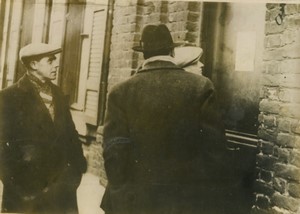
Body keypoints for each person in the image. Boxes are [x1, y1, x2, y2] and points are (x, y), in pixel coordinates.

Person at [101, 24, 237, 214]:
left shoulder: (120, 92)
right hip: (185, 202)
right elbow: (215, 152)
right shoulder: (201, 87)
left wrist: (123, 197)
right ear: (172, 51)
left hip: (136, 201)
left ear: (144, 54)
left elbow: (114, 153)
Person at [0, 43, 87, 213]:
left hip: (61, 191)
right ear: (33, 64)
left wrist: (75, 173)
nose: (56, 64)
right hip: (26, 193)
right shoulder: (8, 97)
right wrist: (18, 186)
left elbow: (71, 135)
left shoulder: (58, 94)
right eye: (50, 60)